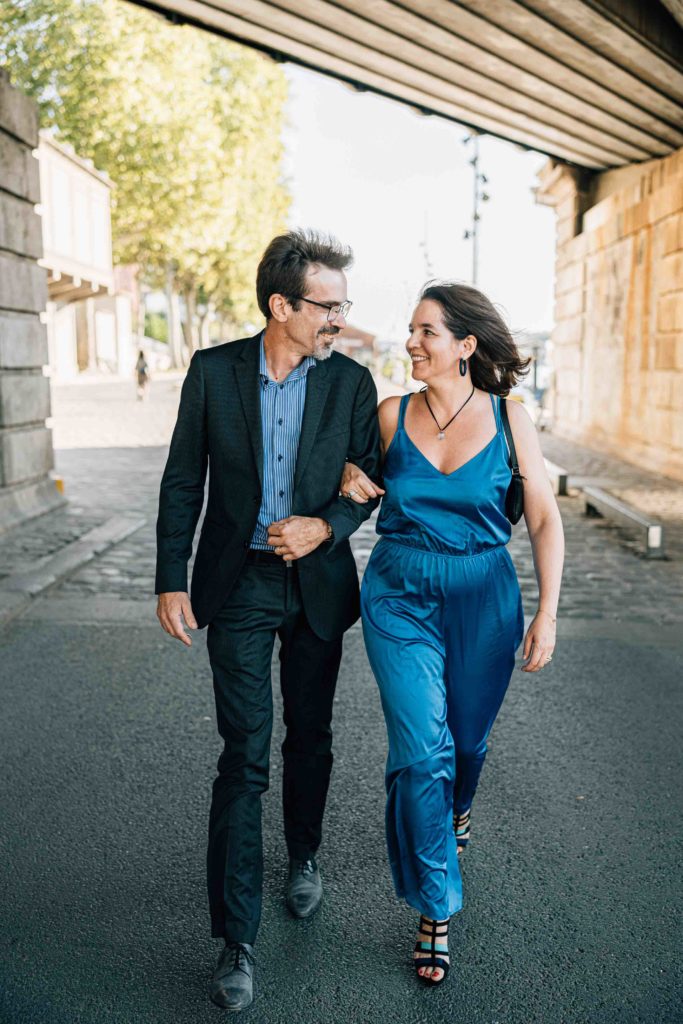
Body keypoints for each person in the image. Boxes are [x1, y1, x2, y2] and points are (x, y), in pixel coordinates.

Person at [154, 229, 381, 1011]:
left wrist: (326, 525)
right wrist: (168, 579)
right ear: (281, 305)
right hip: (238, 585)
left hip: (315, 584)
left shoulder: (350, 382)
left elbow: (367, 482)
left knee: (309, 735)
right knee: (244, 754)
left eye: (342, 306)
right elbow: (185, 477)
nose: (339, 320)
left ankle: (306, 855)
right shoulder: (213, 372)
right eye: (327, 306)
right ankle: (235, 937)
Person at [340, 282, 564, 985]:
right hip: (397, 592)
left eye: (426, 331)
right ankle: (435, 905)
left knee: (465, 744)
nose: (410, 342)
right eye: (409, 330)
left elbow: (543, 519)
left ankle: (457, 810)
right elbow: (354, 485)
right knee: (421, 749)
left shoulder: (508, 418)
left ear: (465, 345)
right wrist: (350, 476)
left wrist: (547, 612)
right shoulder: (388, 414)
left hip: (482, 595)